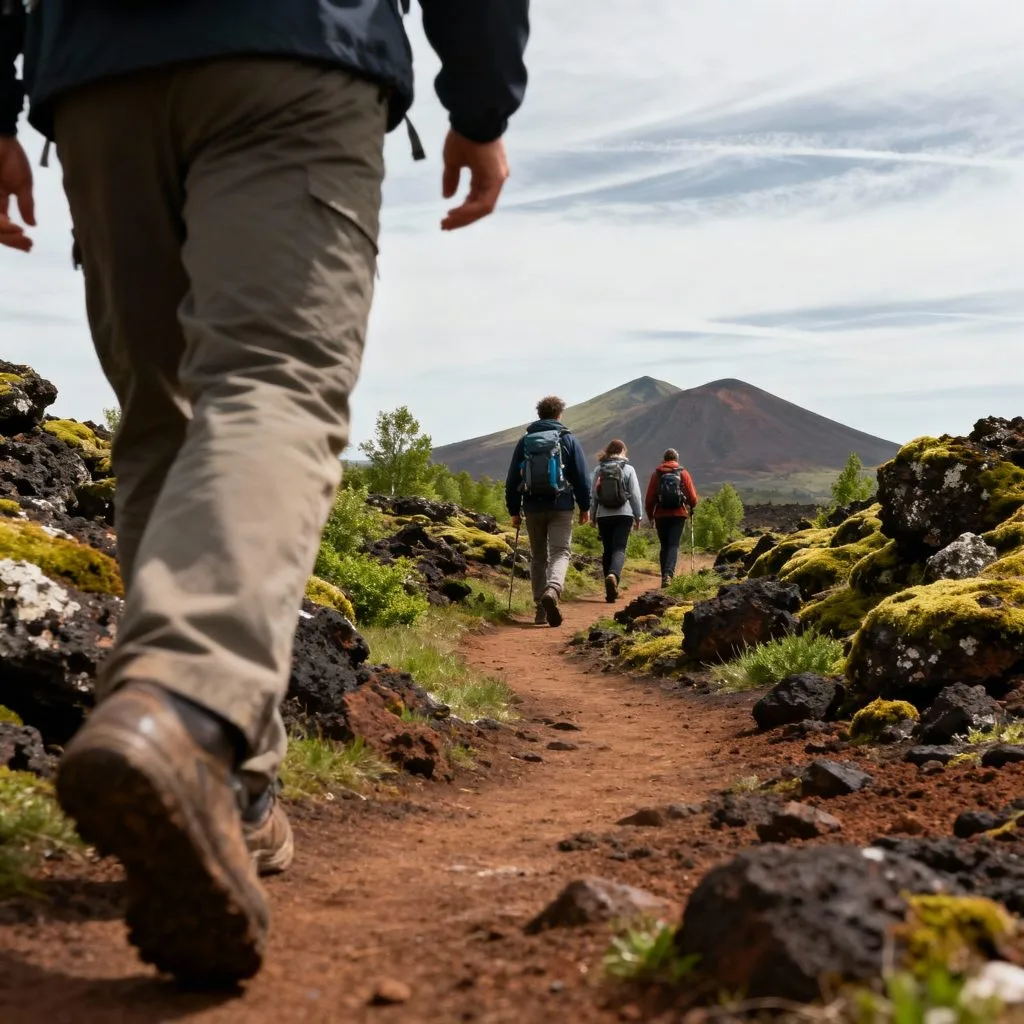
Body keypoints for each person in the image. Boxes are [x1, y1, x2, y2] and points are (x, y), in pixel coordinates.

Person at [0, 0, 529, 985]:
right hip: (295, 51)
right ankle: (189, 708)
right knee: (271, 382)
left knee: (162, 425)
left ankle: (231, 788)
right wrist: (483, 106)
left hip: (95, 71)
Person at [505, 396, 590, 627]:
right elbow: (581, 476)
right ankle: (553, 590)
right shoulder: (567, 439)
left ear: (539, 414)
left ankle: (540, 609)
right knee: (561, 552)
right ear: (559, 414)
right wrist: (585, 506)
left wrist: (514, 510)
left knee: (538, 556)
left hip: (532, 507)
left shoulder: (526, 441)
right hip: (561, 506)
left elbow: (513, 477)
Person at [589, 439, 643, 603]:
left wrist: (592, 516)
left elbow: (594, 495)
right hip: (624, 514)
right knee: (619, 548)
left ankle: (610, 591)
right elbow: (635, 494)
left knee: (607, 549)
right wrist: (638, 516)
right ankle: (613, 575)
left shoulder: (599, 469)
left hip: (604, 515)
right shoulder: (628, 469)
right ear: (622, 451)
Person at [645, 448, 699, 588]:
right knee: (673, 545)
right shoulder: (682, 473)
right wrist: (691, 505)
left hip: (661, 515)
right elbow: (693, 497)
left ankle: (665, 576)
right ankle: (669, 575)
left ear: (664, 459)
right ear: (676, 459)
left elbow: (650, 499)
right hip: (678, 515)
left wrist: (651, 516)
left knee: (664, 546)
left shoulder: (656, 474)